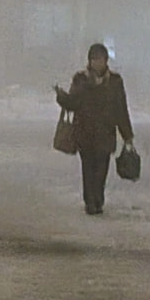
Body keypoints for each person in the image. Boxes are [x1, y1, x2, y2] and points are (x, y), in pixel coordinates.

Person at [54, 43, 135, 214]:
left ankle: (98, 199)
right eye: (94, 59)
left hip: (105, 134)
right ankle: (90, 202)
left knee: (101, 170)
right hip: (85, 133)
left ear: (106, 61)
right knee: (88, 169)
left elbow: (121, 109)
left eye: (100, 59)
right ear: (89, 61)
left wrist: (127, 135)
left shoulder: (115, 82)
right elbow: (73, 103)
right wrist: (62, 97)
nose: (97, 63)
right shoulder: (81, 79)